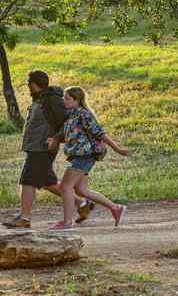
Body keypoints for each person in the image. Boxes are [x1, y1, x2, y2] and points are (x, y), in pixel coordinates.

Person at [2, 70, 93, 229]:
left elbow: (67, 122)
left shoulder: (52, 100)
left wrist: (56, 139)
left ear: (34, 84)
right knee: (46, 181)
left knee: (27, 181)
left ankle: (24, 217)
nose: (27, 85)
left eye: (28, 82)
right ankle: (81, 203)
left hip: (43, 147)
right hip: (35, 147)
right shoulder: (40, 99)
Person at [47, 86, 128, 231]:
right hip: (77, 155)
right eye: (64, 98)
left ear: (77, 100)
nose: (64, 100)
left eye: (67, 98)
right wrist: (54, 140)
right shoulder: (71, 115)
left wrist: (118, 149)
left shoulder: (84, 114)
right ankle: (116, 208)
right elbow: (75, 136)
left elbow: (100, 133)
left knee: (65, 187)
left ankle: (67, 222)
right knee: (81, 190)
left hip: (84, 155)